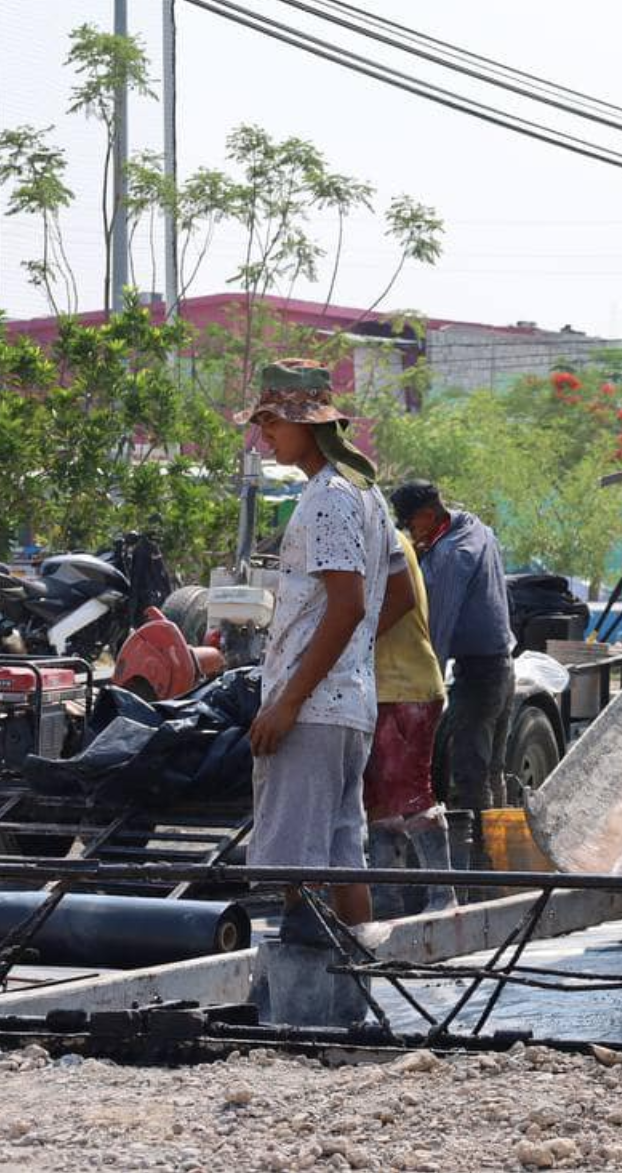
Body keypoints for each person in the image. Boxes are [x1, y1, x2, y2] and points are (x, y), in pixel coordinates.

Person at [238, 360, 388, 938]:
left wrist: (287, 702)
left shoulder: (329, 496)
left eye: (273, 422)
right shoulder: (364, 494)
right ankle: (356, 990)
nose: (265, 435)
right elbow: (386, 590)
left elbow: (346, 606)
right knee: (344, 857)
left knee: (298, 867)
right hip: (348, 704)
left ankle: (305, 1001)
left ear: (309, 424)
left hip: (317, 708)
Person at [389, 480, 516, 811]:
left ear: (430, 515)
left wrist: (426, 699)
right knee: (492, 771)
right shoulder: (474, 526)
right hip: (502, 663)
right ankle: (494, 851)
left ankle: (476, 857)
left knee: (468, 774)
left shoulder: (451, 556)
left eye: (411, 523)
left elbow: (436, 634)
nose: (409, 532)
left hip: (479, 675)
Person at [364, 520, 457, 916]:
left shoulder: (381, 537)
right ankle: (387, 900)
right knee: (379, 801)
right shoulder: (380, 535)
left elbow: (397, 599)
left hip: (405, 686)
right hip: (385, 686)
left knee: (411, 794)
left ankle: (442, 896)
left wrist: (356, 637)